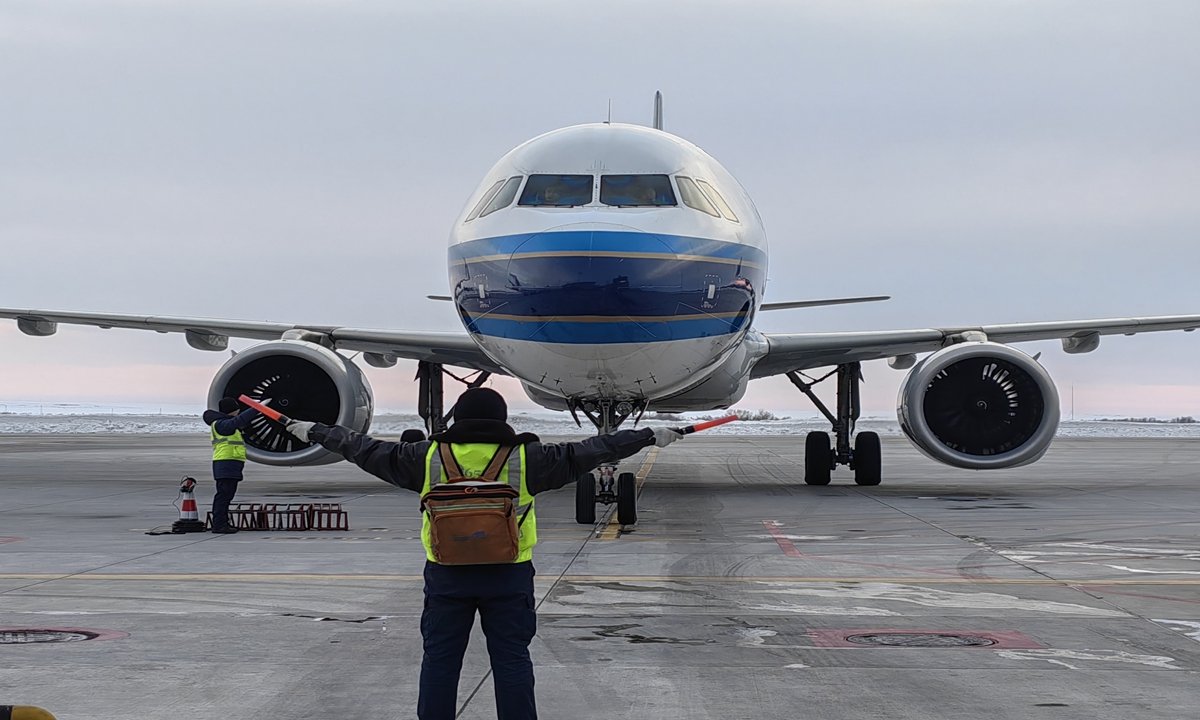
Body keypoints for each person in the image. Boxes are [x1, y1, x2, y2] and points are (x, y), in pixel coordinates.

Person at [283, 388, 684, 720]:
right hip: (509, 573)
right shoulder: (529, 458)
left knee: (440, 660)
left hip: (446, 574)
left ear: (458, 419)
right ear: (503, 418)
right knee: (511, 659)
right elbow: (594, 449)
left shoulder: (424, 457)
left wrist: (316, 431)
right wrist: (649, 434)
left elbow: (363, 448)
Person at [201, 397, 260, 534]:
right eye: (237, 410)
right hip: (225, 463)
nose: (238, 412)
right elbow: (238, 421)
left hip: (229, 463)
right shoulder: (222, 425)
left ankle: (222, 522)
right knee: (224, 495)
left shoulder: (224, 424)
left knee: (226, 495)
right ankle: (220, 524)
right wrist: (257, 408)